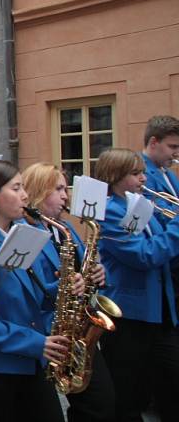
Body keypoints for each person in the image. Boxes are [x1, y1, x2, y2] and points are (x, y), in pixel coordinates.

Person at [0, 160, 81, 422]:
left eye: (23, 187)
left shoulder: (21, 234)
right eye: (16, 188)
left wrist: (66, 286)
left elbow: (34, 294)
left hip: (31, 361)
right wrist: (37, 343)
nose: (25, 195)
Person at [21, 162, 115, 422]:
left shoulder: (66, 228)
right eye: (59, 189)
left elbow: (85, 265)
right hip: (53, 331)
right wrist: (64, 285)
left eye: (65, 188)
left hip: (78, 328)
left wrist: (97, 273)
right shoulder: (28, 232)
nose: (66, 196)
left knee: (101, 401)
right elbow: (31, 289)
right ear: (39, 192)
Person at [94, 148, 179, 422]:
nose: (143, 178)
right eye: (135, 173)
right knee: (129, 394)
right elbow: (146, 255)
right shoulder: (109, 212)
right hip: (129, 314)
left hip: (160, 310)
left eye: (142, 172)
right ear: (114, 176)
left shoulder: (139, 203)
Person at [140, 115, 179, 228]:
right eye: (173, 147)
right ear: (153, 143)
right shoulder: (139, 172)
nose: (177, 153)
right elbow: (161, 217)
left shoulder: (167, 172)